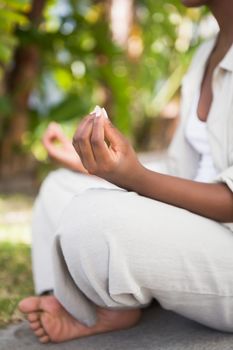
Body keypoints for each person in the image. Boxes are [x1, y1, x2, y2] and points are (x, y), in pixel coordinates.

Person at [19, 0, 233, 344]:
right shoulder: (206, 52)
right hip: (199, 229)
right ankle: (73, 302)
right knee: (59, 188)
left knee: (92, 218)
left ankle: (91, 309)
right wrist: (95, 163)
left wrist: (134, 177)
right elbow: (183, 171)